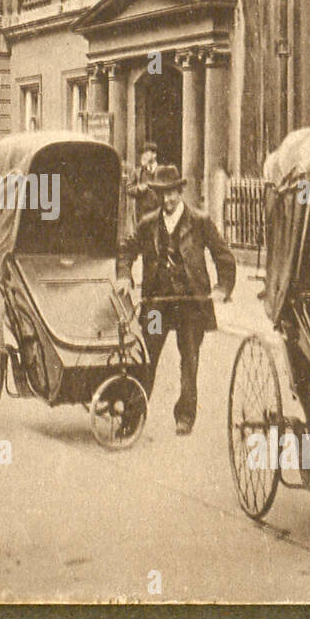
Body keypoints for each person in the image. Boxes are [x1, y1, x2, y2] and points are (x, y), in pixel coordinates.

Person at [117, 164, 236, 435]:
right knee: (148, 358)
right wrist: (124, 275)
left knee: (189, 360)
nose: (167, 199)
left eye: (172, 193)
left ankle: (185, 416)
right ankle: (132, 418)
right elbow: (126, 249)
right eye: (162, 194)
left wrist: (223, 288)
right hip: (158, 304)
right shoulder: (148, 223)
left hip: (190, 305)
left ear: (181, 191)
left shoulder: (200, 221)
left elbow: (223, 255)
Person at [125, 142, 161, 223]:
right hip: (141, 215)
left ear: (154, 155)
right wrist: (139, 189)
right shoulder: (138, 172)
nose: (143, 156)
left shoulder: (162, 171)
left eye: (146, 153)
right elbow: (128, 188)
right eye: (143, 154)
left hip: (158, 215)